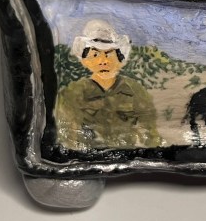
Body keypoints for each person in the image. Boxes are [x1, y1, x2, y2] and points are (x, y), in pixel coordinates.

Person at [54, 20, 159, 150]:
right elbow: (67, 137)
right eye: (95, 54)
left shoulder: (136, 91)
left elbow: (150, 135)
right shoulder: (71, 94)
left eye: (109, 54)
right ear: (85, 61)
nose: (103, 61)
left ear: (120, 60)